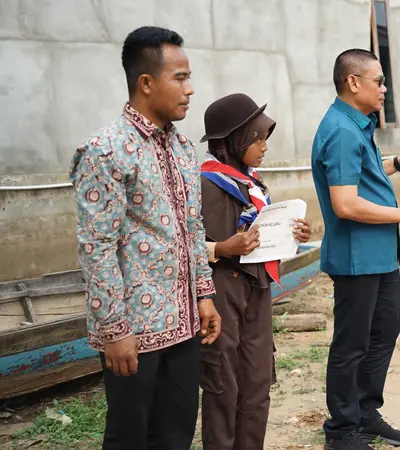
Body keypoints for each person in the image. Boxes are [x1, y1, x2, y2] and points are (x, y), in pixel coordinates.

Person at [69, 26, 221, 450]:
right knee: (129, 437)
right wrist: (114, 329)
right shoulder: (106, 150)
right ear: (146, 83)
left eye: (189, 77)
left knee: (175, 434)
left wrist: (204, 294)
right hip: (133, 332)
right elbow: (96, 248)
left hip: (185, 323)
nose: (190, 89)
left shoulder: (183, 148)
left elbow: (193, 227)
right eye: (180, 77)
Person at [311, 49, 400, 450]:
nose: (384, 89)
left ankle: (365, 413)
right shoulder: (342, 130)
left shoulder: (354, 125)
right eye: (378, 81)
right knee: (352, 344)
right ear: (353, 82)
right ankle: (342, 430)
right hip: (356, 258)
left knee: (384, 332)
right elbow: (345, 204)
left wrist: (398, 162)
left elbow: (362, 173)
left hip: (379, 255)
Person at [198, 93, 312, 449]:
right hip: (221, 292)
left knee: (257, 381)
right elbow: (181, 248)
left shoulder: (251, 182)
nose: (263, 146)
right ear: (233, 142)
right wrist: (222, 248)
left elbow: (261, 234)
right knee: (223, 384)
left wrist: (293, 235)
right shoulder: (203, 184)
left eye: (264, 138)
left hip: (257, 288)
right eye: (256, 138)